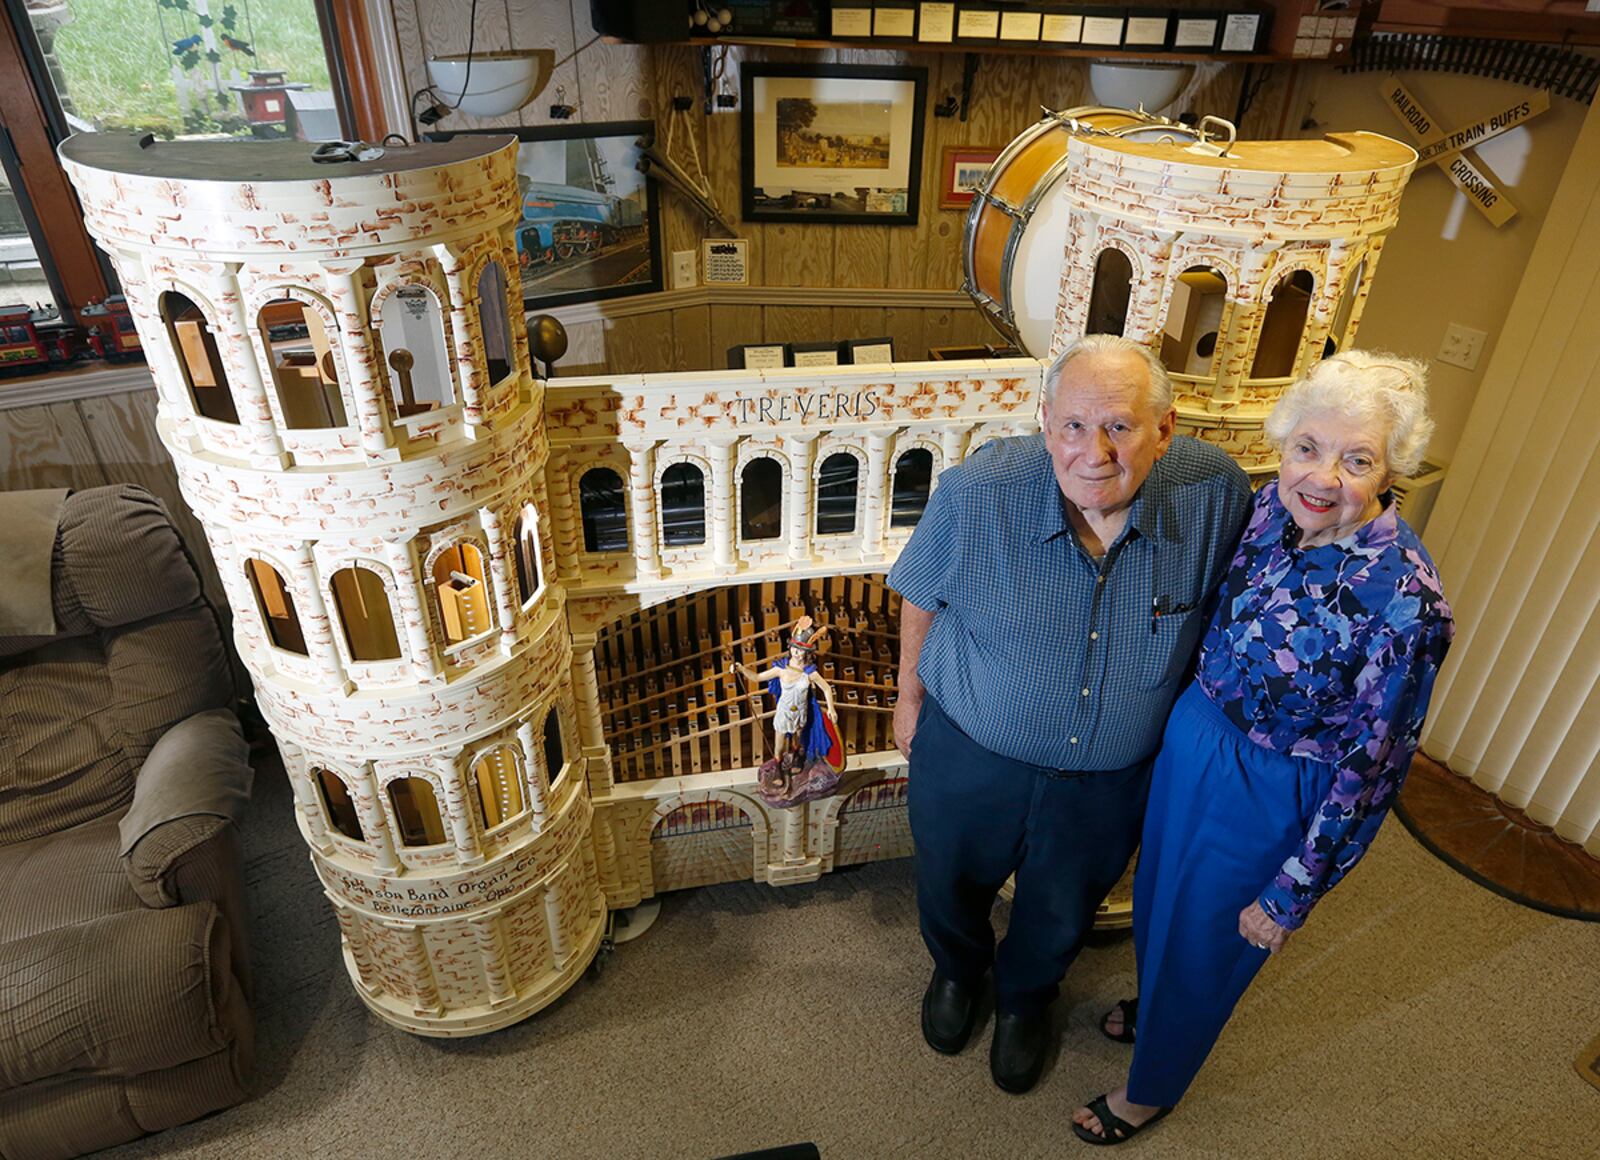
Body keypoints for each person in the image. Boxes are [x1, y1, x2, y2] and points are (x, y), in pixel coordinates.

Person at [1072, 351, 1455, 1145]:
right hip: (1197, 740)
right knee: (1159, 903)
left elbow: (1373, 769)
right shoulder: (1264, 510)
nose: (1323, 477)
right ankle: (1157, 1006)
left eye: (1358, 461)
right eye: (1308, 448)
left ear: (1391, 471)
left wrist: (1293, 892)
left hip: (1276, 789)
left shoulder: (1407, 601)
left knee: (1216, 943)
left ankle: (1150, 1093)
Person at [887, 334, 1253, 1094]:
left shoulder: (1217, 494)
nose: (1094, 452)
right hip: (972, 749)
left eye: (1119, 426)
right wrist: (908, 699)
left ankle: (1025, 1001)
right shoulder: (978, 491)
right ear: (1046, 421)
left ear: (1165, 428)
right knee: (949, 885)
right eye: (1073, 427)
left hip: (1107, 779)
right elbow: (921, 591)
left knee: (1062, 911)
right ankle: (958, 974)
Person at [731, 616, 841, 803]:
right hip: (784, 713)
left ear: (807, 653)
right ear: (790, 648)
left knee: (798, 738)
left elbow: (826, 688)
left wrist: (831, 708)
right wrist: (742, 669)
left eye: (801, 650)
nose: (797, 653)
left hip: (801, 712)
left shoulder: (810, 672)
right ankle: (778, 765)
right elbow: (757, 677)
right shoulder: (781, 669)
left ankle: (798, 756)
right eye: (795, 649)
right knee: (779, 744)